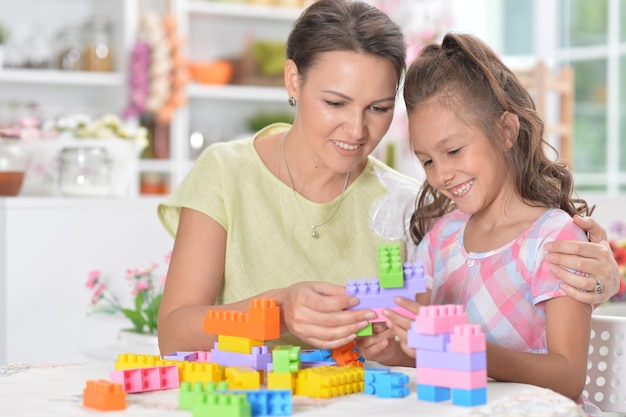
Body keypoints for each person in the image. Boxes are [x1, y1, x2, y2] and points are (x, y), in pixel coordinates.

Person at [156, 0, 619, 358]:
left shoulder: (408, 203)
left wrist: (601, 277)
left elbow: (493, 278)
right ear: (293, 81)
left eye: (378, 109)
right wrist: (277, 310)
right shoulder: (225, 172)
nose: (357, 131)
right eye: (335, 103)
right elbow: (174, 333)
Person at [355, 33, 599, 413]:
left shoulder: (553, 240)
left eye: (453, 151)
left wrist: (472, 348)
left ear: (505, 131)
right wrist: (395, 350)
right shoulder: (440, 240)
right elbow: (428, 355)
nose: (442, 174)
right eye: (428, 161)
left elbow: (568, 377)